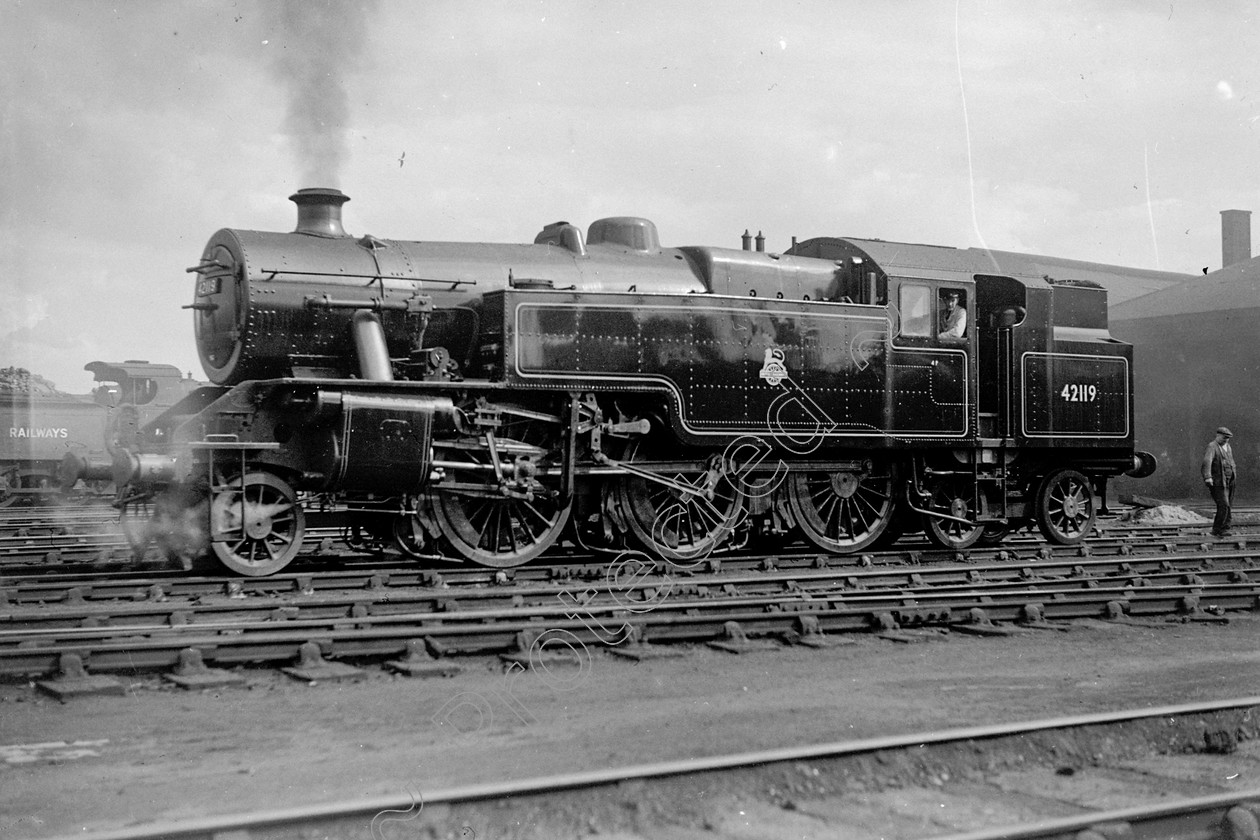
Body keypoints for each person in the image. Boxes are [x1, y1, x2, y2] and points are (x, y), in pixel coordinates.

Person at [1202, 426, 1237, 537]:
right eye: (1224, 438)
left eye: (1227, 438)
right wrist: (1208, 477)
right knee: (1224, 505)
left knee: (1228, 505)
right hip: (1218, 481)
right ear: (1218, 436)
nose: (1225, 440)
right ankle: (1219, 529)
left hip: (1230, 480)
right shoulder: (1212, 446)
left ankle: (1223, 528)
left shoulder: (1228, 446)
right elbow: (1207, 461)